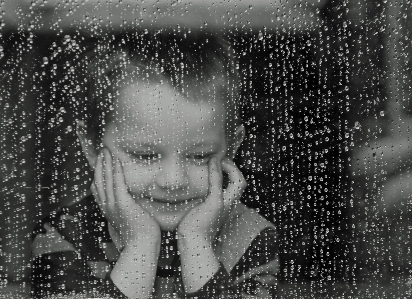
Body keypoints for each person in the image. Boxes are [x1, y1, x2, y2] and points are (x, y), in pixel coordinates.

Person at [31, 30, 279, 299]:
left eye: (200, 156)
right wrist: (140, 246)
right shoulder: (64, 233)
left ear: (230, 149)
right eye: (144, 155)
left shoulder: (251, 237)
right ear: (91, 147)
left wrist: (196, 243)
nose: (173, 180)